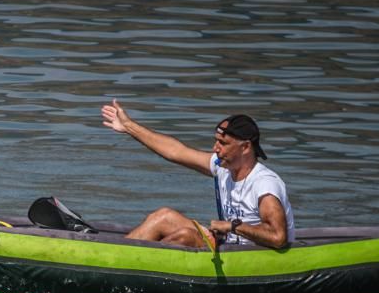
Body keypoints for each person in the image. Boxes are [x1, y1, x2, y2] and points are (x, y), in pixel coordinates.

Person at [100, 99, 295, 249]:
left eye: (223, 143)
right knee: (164, 216)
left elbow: (278, 237)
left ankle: (132, 268)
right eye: (216, 141)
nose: (215, 148)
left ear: (245, 147)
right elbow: (175, 151)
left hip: (252, 258)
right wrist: (129, 127)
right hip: (227, 244)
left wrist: (232, 227)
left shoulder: (264, 184)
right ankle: (112, 259)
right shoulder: (222, 167)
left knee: (186, 236)